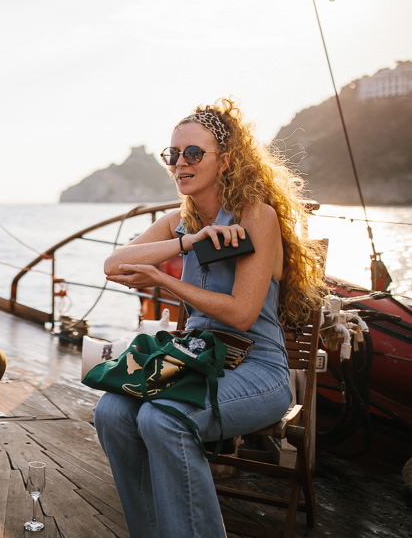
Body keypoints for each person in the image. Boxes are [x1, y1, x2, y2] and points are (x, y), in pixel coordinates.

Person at [93, 98, 325, 538]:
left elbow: (240, 314)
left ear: (227, 161)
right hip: (195, 360)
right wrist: (189, 242)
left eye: (194, 153)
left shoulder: (257, 216)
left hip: (257, 369)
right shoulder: (180, 222)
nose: (180, 162)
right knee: (111, 412)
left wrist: (168, 283)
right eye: (173, 154)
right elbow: (114, 265)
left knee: (163, 418)